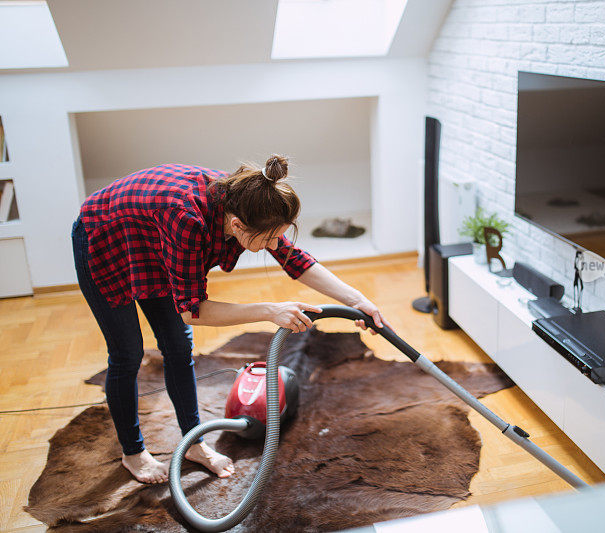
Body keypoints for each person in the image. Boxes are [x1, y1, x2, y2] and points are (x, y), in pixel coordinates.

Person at [72, 155, 386, 484]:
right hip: (104, 237)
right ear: (236, 226)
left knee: (178, 347)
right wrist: (269, 310)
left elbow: (296, 261)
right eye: (267, 240)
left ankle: (194, 444)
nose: (274, 245)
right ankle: (133, 453)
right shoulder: (188, 219)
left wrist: (358, 300)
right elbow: (193, 311)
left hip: (153, 237)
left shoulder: (253, 200)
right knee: (127, 354)